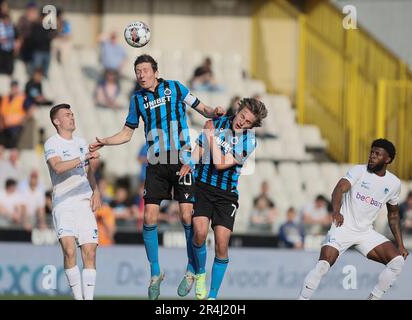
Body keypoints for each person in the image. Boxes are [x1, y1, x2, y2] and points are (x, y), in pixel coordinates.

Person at [89, 54, 225, 300]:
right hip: (155, 161)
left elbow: (201, 107)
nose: (140, 74)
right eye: (137, 71)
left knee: (187, 215)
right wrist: (105, 141)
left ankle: (192, 268)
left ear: (155, 70)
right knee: (148, 216)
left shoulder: (174, 87)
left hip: (182, 159)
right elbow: (127, 133)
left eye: (144, 70)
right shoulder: (137, 99)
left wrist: (213, 111)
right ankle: (155, 272)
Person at [179, 97, 268, 300]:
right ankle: (199, 273)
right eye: (242, 116)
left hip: (226, 196)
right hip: (202, 187)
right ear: (238, 110)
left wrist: (210, 136)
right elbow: (198, 151)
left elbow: (220, 164)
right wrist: (189, 164)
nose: (242, 122)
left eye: (248, 122)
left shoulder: (249, 140)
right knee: (199, 234)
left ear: (252, 126)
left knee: (221, 243)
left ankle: (211, 297)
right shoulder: (217, 123)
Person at [298, 139, 408, 300]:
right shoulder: (359, 171)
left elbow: (393, 215)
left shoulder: (394, 183)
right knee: (323, 265)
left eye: (377, 154)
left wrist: (401, 244)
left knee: (397, 262)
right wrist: (336, 211)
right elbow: (339, 189)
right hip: (343, 227)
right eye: (371, 152)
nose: (371, 156)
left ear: (388, 159)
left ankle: (373, 298)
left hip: (365, 232)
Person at [44, 103, 101, 300]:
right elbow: (58, 167)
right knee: (69, 251)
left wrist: (96, 191)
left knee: (90, 251)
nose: (72, 117)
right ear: (56, 121)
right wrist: (83, 156)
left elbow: (88, 170)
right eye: (67, 115)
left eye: (72, 114)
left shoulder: (81, 142)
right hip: (64, 202)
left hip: (83, 201)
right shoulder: (52, 143)